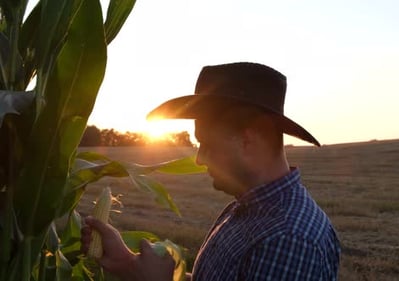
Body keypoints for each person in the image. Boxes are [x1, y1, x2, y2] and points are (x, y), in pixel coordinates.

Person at [81, 62, 341, 280]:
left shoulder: (288, 239)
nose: (199, 159)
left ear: (247, 141)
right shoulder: (247, 209)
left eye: (207, 143)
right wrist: (128, 264)